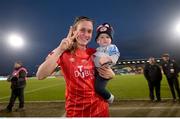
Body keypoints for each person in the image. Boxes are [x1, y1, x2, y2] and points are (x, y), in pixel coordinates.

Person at [36, 16, 115, 117]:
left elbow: (107, 71)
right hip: (77, 113)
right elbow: (40, 75)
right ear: (74, 31)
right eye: (82, 30)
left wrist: (112, 74)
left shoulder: (95, 53)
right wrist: (60, 49)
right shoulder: (63, 53)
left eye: (89, 31)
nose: (86, 34)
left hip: (101, 110)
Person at [93, 23, 120, 104]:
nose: (105, 39)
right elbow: (94, 59)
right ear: (98, 40)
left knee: (98, 88)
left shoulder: (112, 47)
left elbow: (115, 55)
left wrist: (108, 58)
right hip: (96, 70)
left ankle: (109, 97)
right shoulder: (97, 50)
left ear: (111, 40)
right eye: (102, 37)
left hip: (104, 72)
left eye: (108, 37)